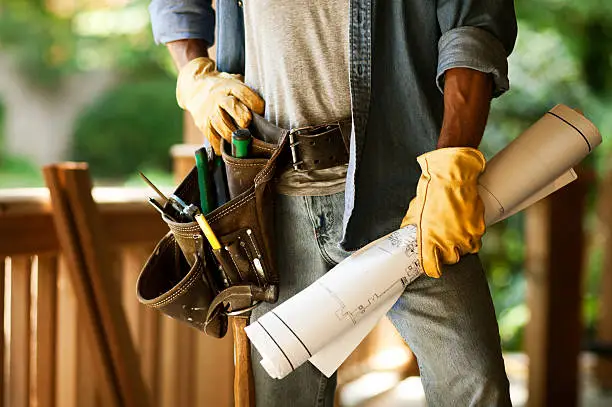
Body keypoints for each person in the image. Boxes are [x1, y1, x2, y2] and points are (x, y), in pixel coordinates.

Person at [149, 0, 518, 405]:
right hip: (272, 203)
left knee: (476, 390)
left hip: (412, 197)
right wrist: (195, 73)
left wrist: (452, 166)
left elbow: (474, 26)